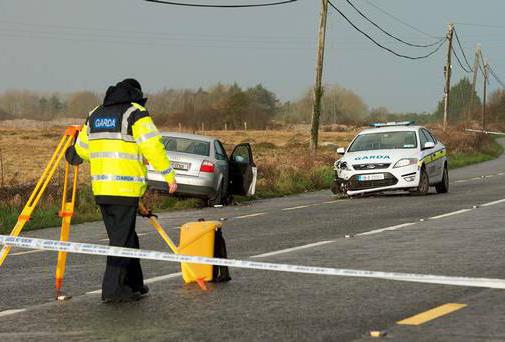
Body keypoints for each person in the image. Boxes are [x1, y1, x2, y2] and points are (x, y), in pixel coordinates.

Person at [66, 78, 177, 303]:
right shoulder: (135, 113)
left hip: (102, 189)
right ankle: (113, 290)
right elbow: (152, 146)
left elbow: (83, 151)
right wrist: (168, 175)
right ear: (135, 95)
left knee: (125, 235)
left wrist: (73, 153)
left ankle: (134, 283)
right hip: (125, 188)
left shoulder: (95, 113)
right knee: (121, 239)